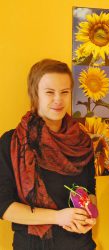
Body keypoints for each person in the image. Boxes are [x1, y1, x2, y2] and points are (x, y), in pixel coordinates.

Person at [0, 59, 97, 250]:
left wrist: (90, 215)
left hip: (80, 245)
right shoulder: (12, 142)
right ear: (35, 94)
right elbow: (4, 207)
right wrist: (58, 217)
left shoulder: (82, 140)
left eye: (64, 92)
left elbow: (90, 190)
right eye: (50, 92)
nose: (58, 99)